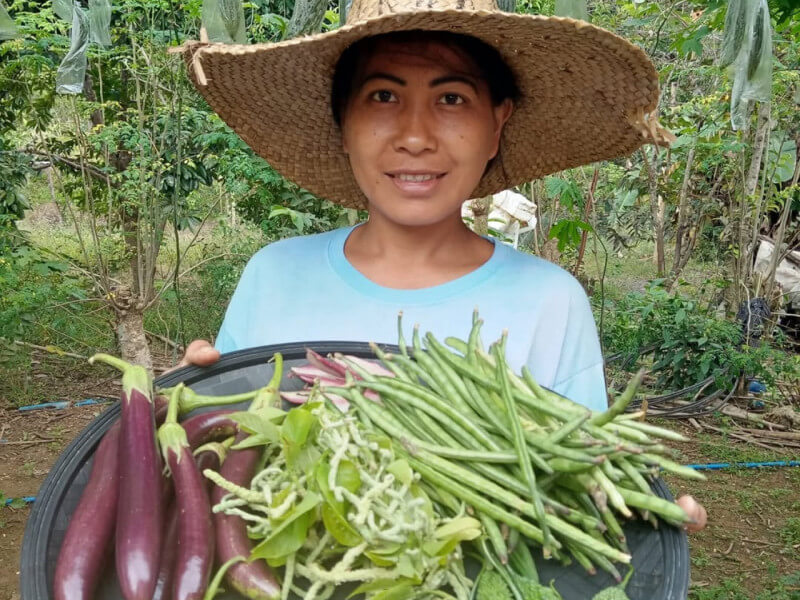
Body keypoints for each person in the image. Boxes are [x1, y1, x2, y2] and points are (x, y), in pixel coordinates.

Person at [175, 0, 706, 531]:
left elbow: (580, 482)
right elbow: (224, 459)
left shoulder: (549, 301)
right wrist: (184, 408)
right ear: (343, 122)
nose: (415, 136)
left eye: (451, 98)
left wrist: (639, 516)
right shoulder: (274, 276)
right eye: (383, 96)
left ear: (498, 124)